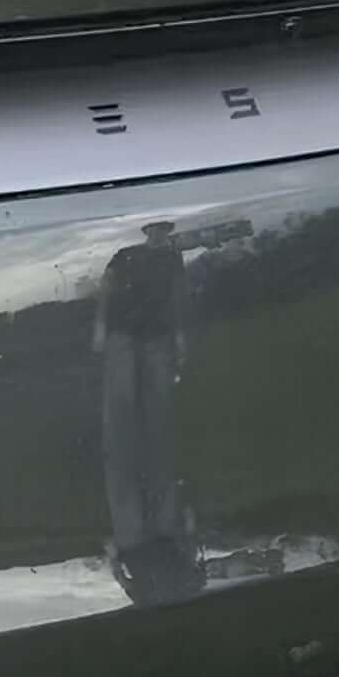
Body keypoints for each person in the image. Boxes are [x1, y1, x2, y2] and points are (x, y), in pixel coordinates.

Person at [92, 222, 201, 604]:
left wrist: (180, 335)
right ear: (147, 232)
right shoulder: (125, 254)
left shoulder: (172, 258)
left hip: (157, 332)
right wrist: (101, 326)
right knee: (121, 406)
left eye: (162, 231)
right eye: (155, 230)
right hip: (124, 331)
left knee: (157, 409)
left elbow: (177, 296)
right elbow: (107, 288)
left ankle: (148, 455)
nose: (159, 235)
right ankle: (124, 453)